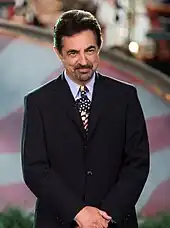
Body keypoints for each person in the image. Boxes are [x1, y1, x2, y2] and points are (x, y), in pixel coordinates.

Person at [21, 9, 150, 228]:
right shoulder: (38, 102)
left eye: (89, 50)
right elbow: (35, 168)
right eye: (73, 53)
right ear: (58, 53)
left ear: (99, 47)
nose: (83, 61)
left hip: (114, 222)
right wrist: (78, 212)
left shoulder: (125, 97)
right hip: (58, 222)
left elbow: (137, 163)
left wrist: (105, 216)